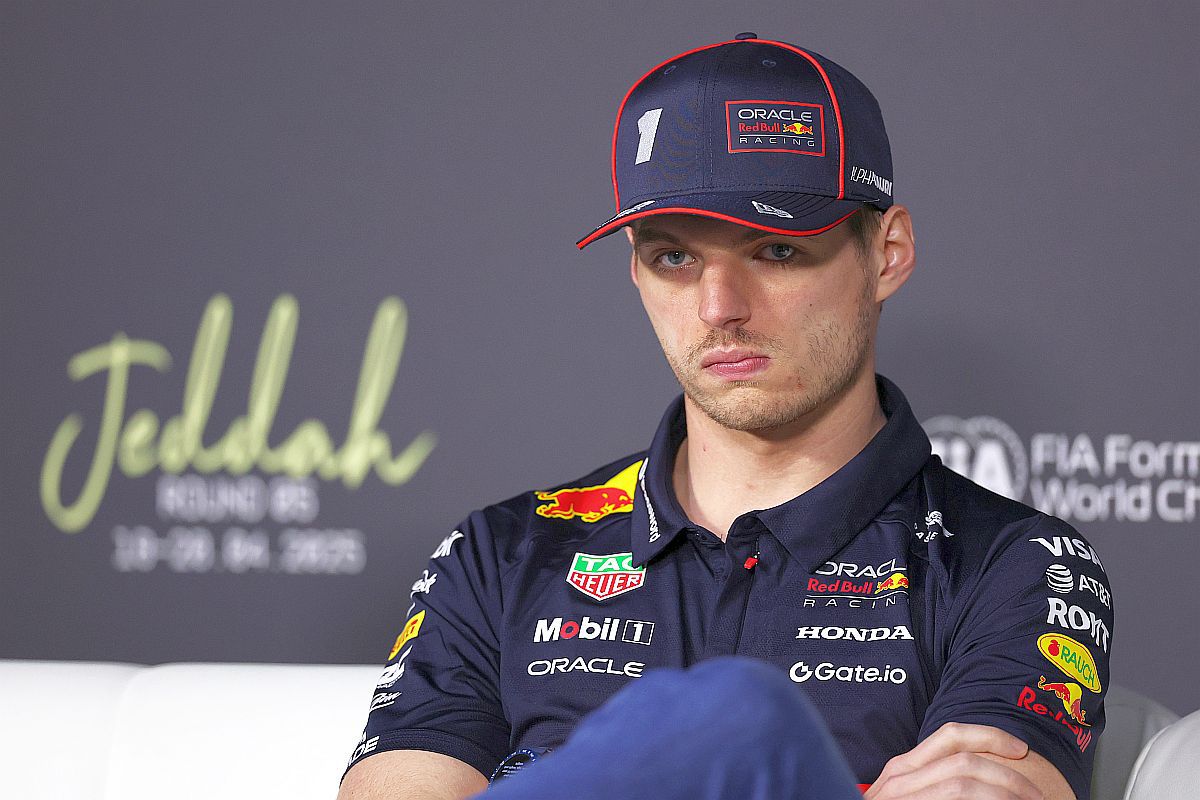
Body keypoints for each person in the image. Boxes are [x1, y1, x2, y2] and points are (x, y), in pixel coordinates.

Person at [338, 33, 1113, 800]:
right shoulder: (502, 556)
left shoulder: (1015, 565)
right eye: (673, 258)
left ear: (887, 253)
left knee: (742, 719)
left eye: (775, 250)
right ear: (636, 271)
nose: (719, 308)